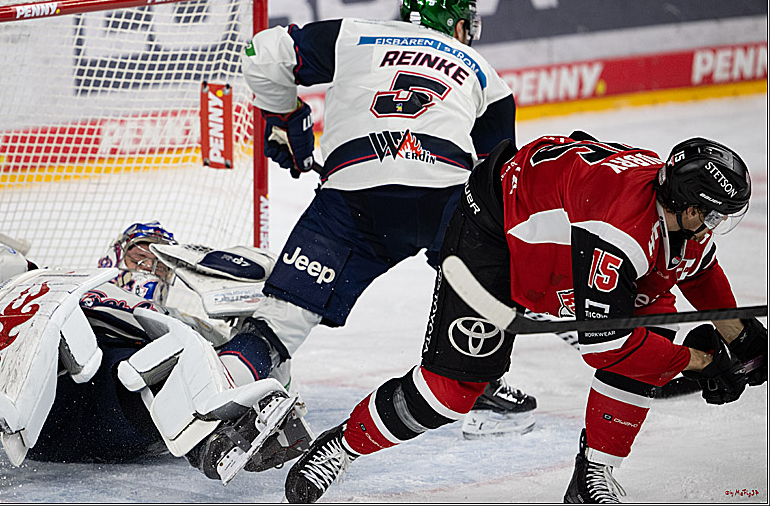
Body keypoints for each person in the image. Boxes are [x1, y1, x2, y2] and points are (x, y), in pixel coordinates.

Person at [282, 134, 767, 503]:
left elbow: (697, 265)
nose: (713, 226)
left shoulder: (672, 207)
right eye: (711, 214)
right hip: (494, 229)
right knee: (449, 392)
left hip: (559, 225)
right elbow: (603, 346)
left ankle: (592, 473)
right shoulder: (621, 232)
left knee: (651, 324)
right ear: (684, 204)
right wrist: (701, 362)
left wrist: (743, 337)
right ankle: (340, 446)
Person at [0, 130, 313, 486]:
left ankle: (212, 441)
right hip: (46, 421)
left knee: (174, 353)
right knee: (22, 300)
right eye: (141, 253)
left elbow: (265, 364)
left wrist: (256, 340)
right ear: (115, 258)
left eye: (161, 259)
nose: (150, 264)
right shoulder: (73, 290)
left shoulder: (181, 323)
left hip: (128, 420)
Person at [220, 0, 534, 438]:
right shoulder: (488, 74)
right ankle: (481, 383)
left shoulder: (356, 34)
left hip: (353, 194)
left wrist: (287, 118)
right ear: (458, 25)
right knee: (477, 282)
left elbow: (260, 55)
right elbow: (498, 184)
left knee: (280, 322)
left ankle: (220, 386)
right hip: (444, 192)